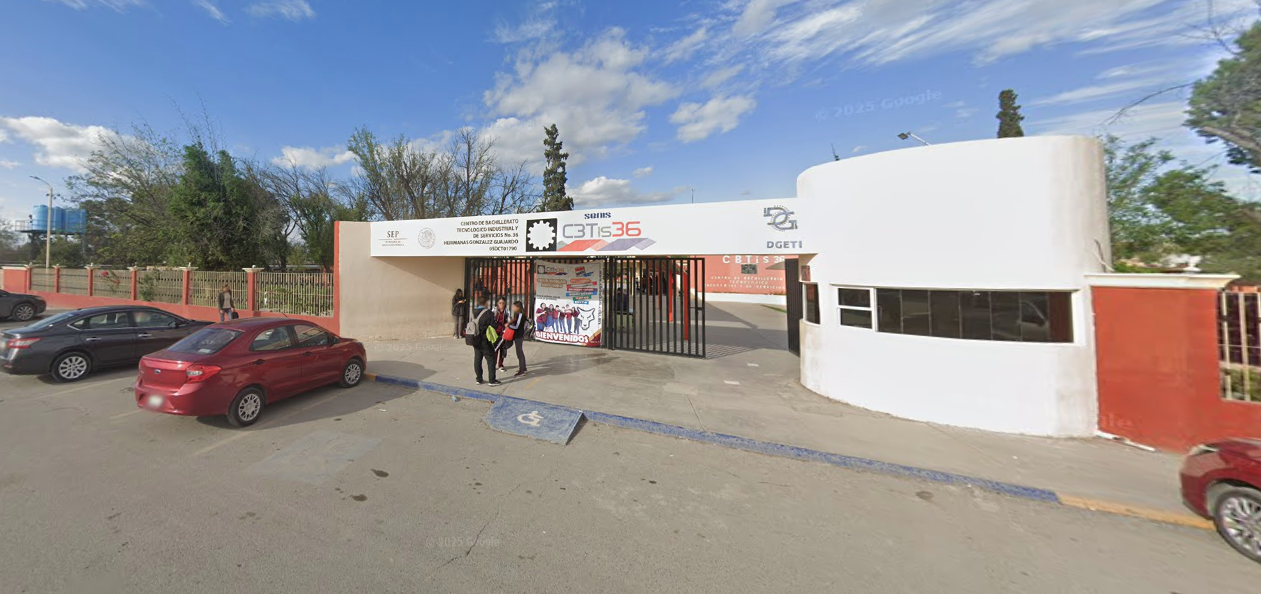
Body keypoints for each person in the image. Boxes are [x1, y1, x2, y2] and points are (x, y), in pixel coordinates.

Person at [471, 297, 500, 386]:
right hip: (485, 339)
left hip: (475, 338)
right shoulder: (488, 313)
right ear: (486, 303)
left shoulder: (473, 312)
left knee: (477, 359)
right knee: (491, 359)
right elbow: (494, 325)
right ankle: (492, 380)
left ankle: (479, 379)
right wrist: (494, 317)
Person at [506, 301, 528, 376]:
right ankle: (523, 367)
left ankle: (522, 370)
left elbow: (517, 326)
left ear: (518, 307)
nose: (513, 308)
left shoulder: (521, 315)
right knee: (519, 351)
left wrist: (508, 326)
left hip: (519, 335)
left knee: (519, 352)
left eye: (514, 307)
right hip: (517, 335)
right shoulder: (517, 314)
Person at [494, 297, 509, 371]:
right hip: (495, 332)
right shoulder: (494, 311)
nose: (501, 304)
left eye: (503, 303)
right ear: (497, 303)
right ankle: (493, 364)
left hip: (503, 332)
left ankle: (500, 364)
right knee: (495, 348)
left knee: (502, 349)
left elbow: (508, 322)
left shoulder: (507, 312)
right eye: (500, 303)